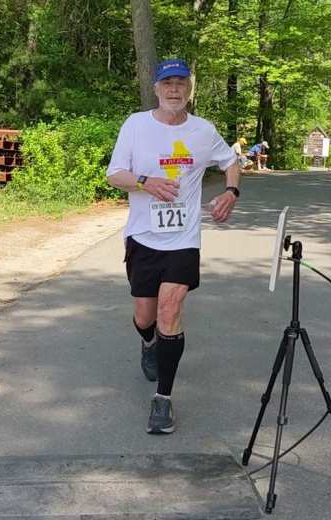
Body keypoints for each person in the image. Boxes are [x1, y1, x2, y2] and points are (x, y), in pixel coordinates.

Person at [106, 58, 240, 434]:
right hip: (143, 237)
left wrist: (232, 190)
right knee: (145, 316)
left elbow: (232, 161)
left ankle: (163, 401)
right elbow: (114, 174)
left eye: (181, 83)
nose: (175, 90)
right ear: (156, 89)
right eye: (168, 83)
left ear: (190, 89)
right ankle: (148, 343)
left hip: (184, 240)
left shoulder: (203, 131)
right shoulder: (136, 125)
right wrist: (145, 182)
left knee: (169, 309)